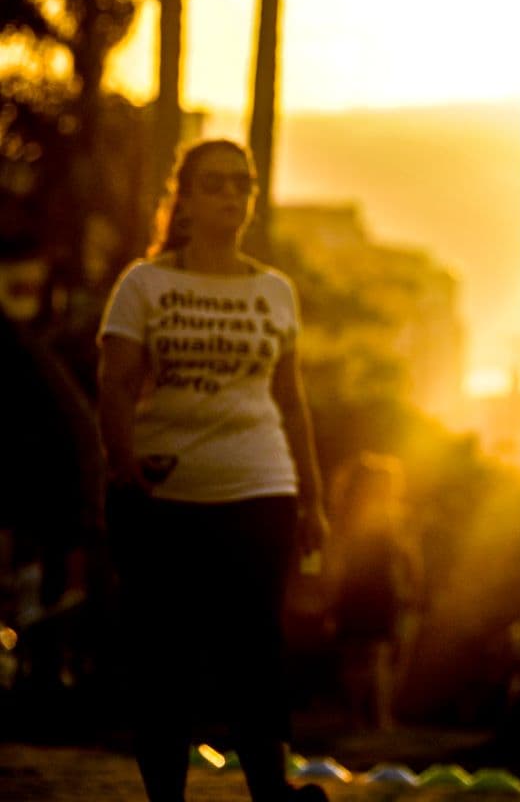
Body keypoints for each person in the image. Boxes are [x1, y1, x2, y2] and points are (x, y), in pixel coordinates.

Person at [96, 139, 330, 802]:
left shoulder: (275, 291)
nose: (231, 194)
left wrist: (311, 497)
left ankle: (271, 793)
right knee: (165, 661)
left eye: (241, 183)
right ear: (186, 199)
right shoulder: (146, 285)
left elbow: (291, 398)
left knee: (254, 652)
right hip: (164, 498)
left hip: (260, 490)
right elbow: (114, 385)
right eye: (214, 183)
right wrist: (123, 469)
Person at [329, 452, 421, 731]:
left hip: (382, 591)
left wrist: (413, 585)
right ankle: (371, 717)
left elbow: (409, 557)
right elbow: (338, 556)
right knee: (365, 654)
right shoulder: (357, 518)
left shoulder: (392, 516)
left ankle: (371, 716)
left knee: (374, 654)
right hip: (364, 590)